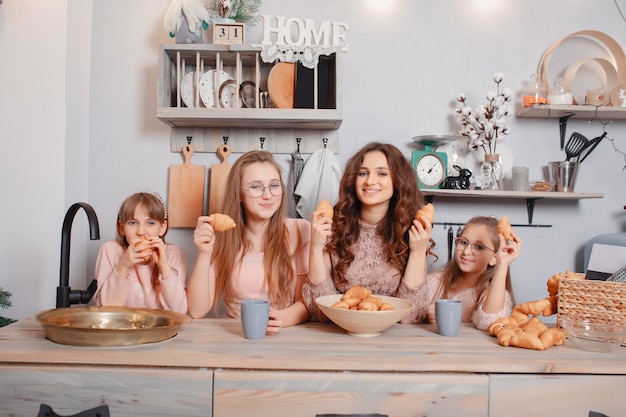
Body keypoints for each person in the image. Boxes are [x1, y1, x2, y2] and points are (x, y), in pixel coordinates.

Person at [302, 142, 435, 322]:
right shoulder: (333, 226)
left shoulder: (411, 231)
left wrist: (419, 252)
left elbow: (409, 316)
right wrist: (316, 248)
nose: (369, 181)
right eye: (363, 173)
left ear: (398, 181)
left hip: (392, 341)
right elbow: (319, 312)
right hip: (337, 337)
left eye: (382, 173)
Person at [187, 150, 310, 335]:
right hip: (233, 336)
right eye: (256, 187)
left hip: (282, 337)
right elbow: (197, 310)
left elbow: (306, 303)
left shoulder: (300, 231)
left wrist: (282, 318)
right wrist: (204, 253)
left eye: (274, 185)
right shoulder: (222, 236)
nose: (268, 195)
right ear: (238, 194)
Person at [405, 216, 522, 330]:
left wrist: (502, 265)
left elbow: (491, 323)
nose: (466, 252)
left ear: (494, 258)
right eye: (464, 242)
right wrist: (426, 316)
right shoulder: (435, 282)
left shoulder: (492, 294)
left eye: (479, 247)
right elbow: (407, 315)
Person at [93, 191, 188, 314]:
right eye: (132, 223)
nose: (141, 231)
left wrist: (165, 267)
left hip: (160, 330)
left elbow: (179, 311)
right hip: (120, 328)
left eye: (150, 223)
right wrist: (123, 265)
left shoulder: (174, 254)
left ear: (162, 228)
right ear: (122, 227)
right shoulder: (110, 250)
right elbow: (104, 308)